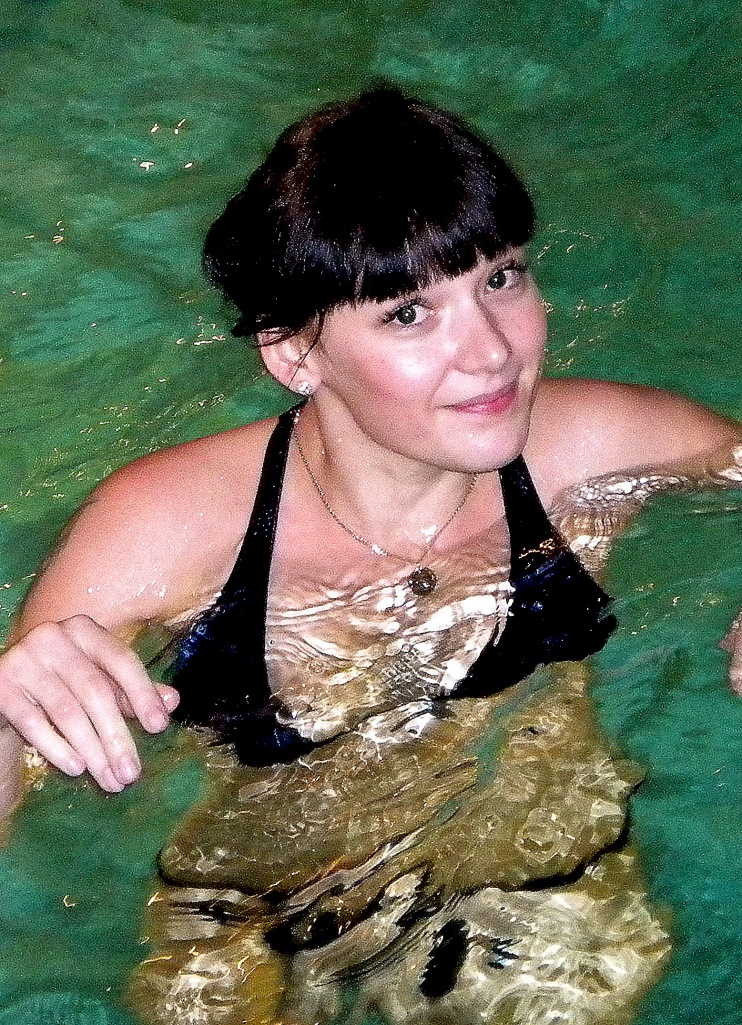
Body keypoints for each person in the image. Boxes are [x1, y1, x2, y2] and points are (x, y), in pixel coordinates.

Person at [0, 88, 740, 1024]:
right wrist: (5, 715)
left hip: (541, 887)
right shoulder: (166, 524)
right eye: (408, 314)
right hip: (242, 922)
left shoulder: (597, 446)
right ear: (293, 353)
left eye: (501, 278)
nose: (491, 352)